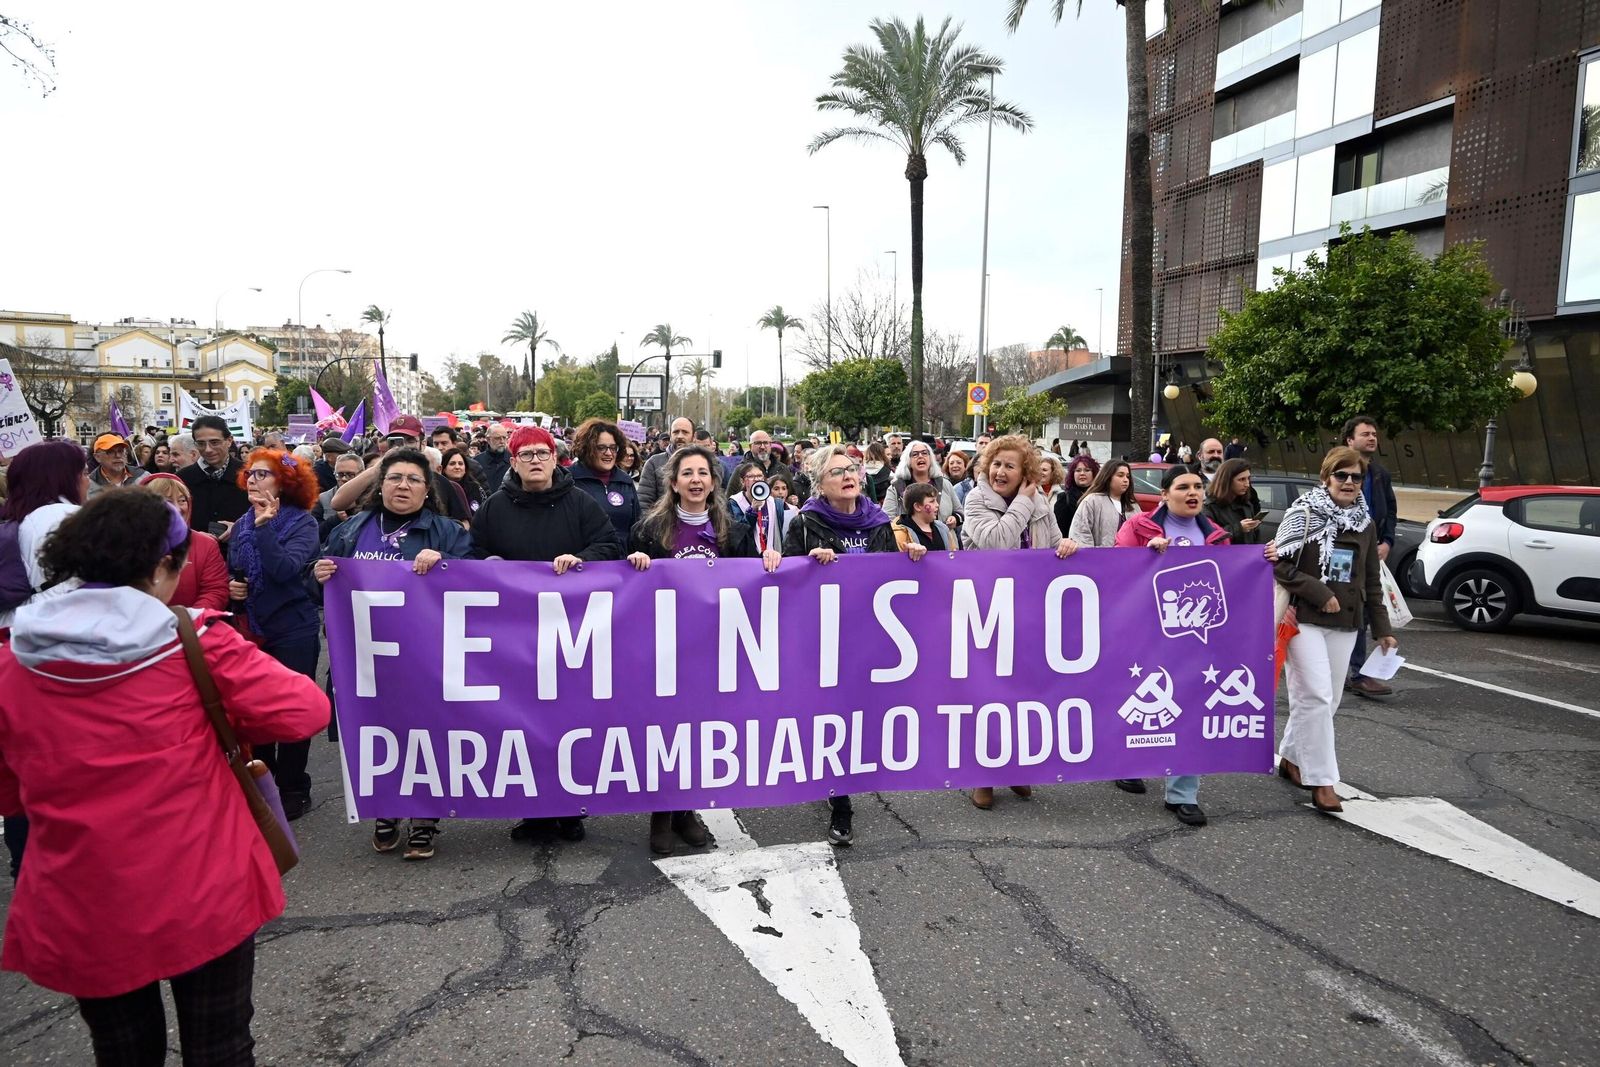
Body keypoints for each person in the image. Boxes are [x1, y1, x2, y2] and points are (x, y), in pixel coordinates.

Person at [0, 489, 328, 1063]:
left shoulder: (13, 660)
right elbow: (304, 711)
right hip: (202, 883)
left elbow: (10, 794)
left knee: (122, 1051)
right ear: (160, 567)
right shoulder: (196, 641)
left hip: (82, 893)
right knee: (220, 1048)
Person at [316, 448, 474, 860]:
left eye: (413, 479)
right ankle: (385, 808)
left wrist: (446, 562)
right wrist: (316, 574)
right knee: (378, 733)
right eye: (394, 478)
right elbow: (318, 584)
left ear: (428, 490)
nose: (403, 486)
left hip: (426, 656)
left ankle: (425, 818)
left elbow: (475, 577)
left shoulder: (445, 531)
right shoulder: (351, 530)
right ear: (380, 484)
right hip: (367, 659)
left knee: (429, 735)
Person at [470, 426, 623, 844]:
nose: (535, 460)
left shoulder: (580, 502)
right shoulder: (495, 507)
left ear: (556, 459)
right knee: (522, 723)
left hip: (571, 633)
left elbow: (609, 546)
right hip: (514, 635)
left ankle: (571, 809)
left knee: (569, 722)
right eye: (526, 454)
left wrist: (581, 559)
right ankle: (534, 811)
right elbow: (471, 554)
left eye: (542, 453)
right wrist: (488, 564)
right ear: (513, 462)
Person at [627, 445, 780, 855]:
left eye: (703, 473)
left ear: (714, 482)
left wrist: (768, 558)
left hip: (713, 648)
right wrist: (634, 561)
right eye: (687, 473)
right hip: (665, 647)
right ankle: (661, 813)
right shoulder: (648, 530)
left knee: (698, 732)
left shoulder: (735, 532)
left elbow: (753, 583)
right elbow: (627, 588)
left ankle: (685, 811)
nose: (696, 480)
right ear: (674, 483)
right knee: (665, 730)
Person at [1113, 466, 1277, 825]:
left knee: (1191, 708)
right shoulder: (1138, 527)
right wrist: (1144, 557)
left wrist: (1261, 562)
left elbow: (1231, 581)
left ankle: (1183, 794)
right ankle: (1131, 764)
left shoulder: (1216, 535)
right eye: (1183, 487)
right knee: (1144, 702)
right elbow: (1115, 572)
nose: (1193, 493)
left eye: (1198, 487)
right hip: (1145, 635)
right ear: (1164, 494)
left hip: (1196, 639)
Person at [782, 444, 901, 846]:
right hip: (823, 640)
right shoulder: (805, 523)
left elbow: (893, 579)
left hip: (868, 638)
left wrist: (914, 559)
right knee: (831, 717)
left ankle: (845, 779)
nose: (848, 476)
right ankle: (841, 802)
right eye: (836, 472)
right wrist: (808, 564)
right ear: (819, 484)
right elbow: (786, 581)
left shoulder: (879, 522)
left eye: (851, 469)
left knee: (860, 717)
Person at [1274, 446, 1397, 813]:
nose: (1348, 482)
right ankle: (1323, 781)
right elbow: (1278, 563)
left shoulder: (1365, 523)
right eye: (1341, 475)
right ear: (1326, 478)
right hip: (1304, 619)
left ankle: (1292, 758)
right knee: (1315, 695)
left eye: (1356, 477)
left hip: (1346, 621)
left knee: (1328, 701)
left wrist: (1382, 628)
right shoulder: (1303, 514)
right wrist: (1319, 591)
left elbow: (1372, 579)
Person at [962, 434, 1080, 810]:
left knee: (1024, 694)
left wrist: (1066, 546)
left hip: (1029, 610)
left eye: (1009, 466)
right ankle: (982, 774)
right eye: (996, 464)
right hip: (987, 611)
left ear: (1024, 472)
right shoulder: (977, 499)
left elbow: (1054, 543)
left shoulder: (1039, 501)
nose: (1000, 471)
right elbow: (997, 543)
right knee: (989, 695)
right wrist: (1024, 503)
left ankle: (1015, 767)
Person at [226, 448, 323, 819]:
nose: (253, 479)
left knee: (292, 709)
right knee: (258, 710)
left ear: (284, 483)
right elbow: (237, 568)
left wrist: (265, 527)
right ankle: (266, 782)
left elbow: (285, 570)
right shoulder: (243, 522)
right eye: (250, 473)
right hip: (253, 629)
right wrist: (234, 589)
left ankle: (294, 785)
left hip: (293, 627)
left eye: (263, 474)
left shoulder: (303, 523)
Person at [0, 438, 89, 630]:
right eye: (84, 473)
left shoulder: (15, 521)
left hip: (12, 628)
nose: (87, 481)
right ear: (66, 479)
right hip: (57, 627)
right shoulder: (76, 520)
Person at [1341, 415, 1398, 699]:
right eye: (1365, 434)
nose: (1372, 438)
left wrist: (1387, 541)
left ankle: (1357, 673)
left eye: (1374, 434)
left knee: (1365, 606)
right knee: (1345, 608)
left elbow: (1390, 509)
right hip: (1343, 550)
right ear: (1350, 440)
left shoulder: (1380, 474)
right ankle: (1347, 670)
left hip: (1371, 549)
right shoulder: (1339, 469)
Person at [139, 473, 229, 611]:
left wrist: (188, 619)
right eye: (168, 501)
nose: (177, 508)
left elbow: (215, 590)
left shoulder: (206, 545)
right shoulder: (128, 543)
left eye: (182, 500)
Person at [567, 417, 640, 544]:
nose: (609, 453)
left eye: (613, 448)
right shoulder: (569, 480)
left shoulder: (625, 481)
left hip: (621, 555)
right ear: (587, 448)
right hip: (583, 555)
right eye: (601, 448)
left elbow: (636, 526)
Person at [178, 415, 249, 535]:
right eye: (201, 443)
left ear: (229, 441)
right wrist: (193, 536)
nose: (208, 449)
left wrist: (240, 528)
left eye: (214, 442)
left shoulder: (249, 475)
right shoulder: (181, 479)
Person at [882, 440, 962, 542]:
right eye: (915, 454)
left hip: (945, 544)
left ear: (930, 458)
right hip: (910, 545)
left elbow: (960, 512)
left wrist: (955, 519)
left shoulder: (944, 484)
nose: (920, 456)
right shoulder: (896, 488)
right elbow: (887, 521)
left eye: (924, 453)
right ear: (908, 460)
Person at [1067, 459, 1138, 547]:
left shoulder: (1133, 505)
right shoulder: (1092, 501)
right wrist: (1092, 554)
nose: (1125, 480)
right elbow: (1080, 535)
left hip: (1130, 555)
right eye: (1120, 475)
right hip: (1100, 555)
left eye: (1128, 476)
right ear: (1108, 477)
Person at [728, 460, 792, 553]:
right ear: (742, 481)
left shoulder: (774, 503)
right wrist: (752, 511)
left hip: (772, 555)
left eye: (759, 476)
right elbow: (738, 534)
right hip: (748, 555)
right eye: (751, 476)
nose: (756, 479)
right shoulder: (735, 502)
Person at [637, 417, 694, 510]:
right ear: (670, 435)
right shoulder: (654, 463)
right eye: (676, 432)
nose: (680, 436)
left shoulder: (706, 463)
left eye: (685, 432)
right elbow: (644, 502)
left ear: (693, 436)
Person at [1204, 458, 1265, 545]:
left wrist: (1262, 549)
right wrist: (1239, 528)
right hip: (1226, 553)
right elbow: (1210, 538)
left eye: (1248, 478)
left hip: (1249, 552)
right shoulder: (1210, 507)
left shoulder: (1246, 503)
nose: (1247, 484)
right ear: (1226, 481)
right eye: (1242, 479)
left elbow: (1255, 537)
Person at [893, 481, 958, 555]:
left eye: (936, 500)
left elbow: (953, 554)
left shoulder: (942, 529)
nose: (937, 505)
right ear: (917, 507)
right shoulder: (900, 534)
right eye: (932, 501)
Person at [1054, 454, 1101, 538]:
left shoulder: (1101, 497)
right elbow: (1060, 532)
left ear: (1094, 474)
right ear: (1073, 474)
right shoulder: (1064, 498)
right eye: (1078, 470)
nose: (1082, 473)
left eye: (1087, 470)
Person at [441, 446, 488, 518]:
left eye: (460, 464)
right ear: (443, 468)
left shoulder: (476, 488)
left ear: (465, 469)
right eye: (452, 463)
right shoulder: (438, 489)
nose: (457, 467)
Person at [471, 423, 513, 493]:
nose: (502, 441)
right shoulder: (476, 462)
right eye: (497, 438)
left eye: (504, 438)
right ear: (488, 439)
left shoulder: (513, 461)